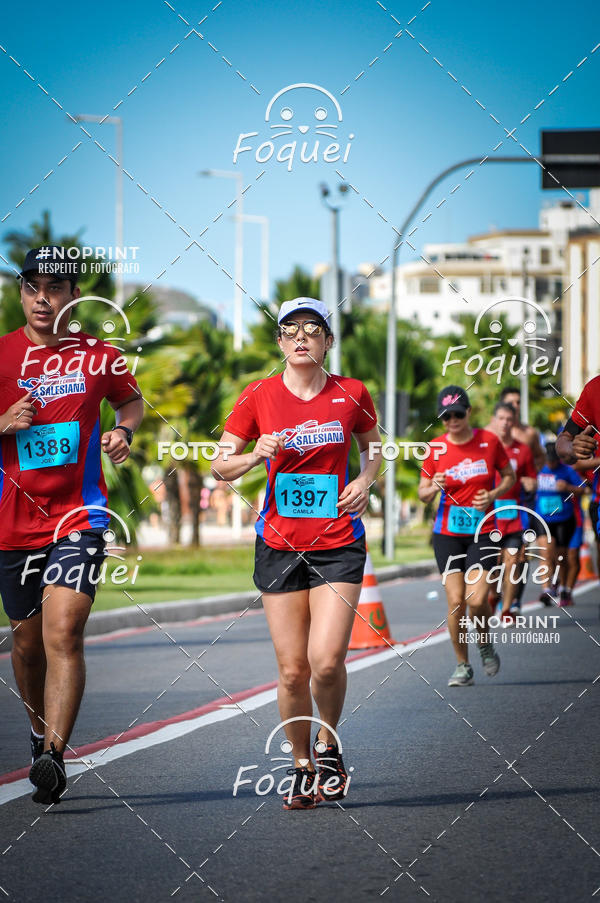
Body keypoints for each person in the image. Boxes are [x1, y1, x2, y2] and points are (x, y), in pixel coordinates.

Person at [212, 298, 381, 809]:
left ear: (329, 341)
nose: (302, 337)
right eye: (291, 330)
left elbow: (374, 444)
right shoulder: (258, 395)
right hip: (279, 544)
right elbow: (220, 466)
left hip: (338, 543)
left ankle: (329, 745)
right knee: (292, 671)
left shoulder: (351, 393)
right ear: (281, 343)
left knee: (326, 662)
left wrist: (365, 481)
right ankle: (302, 765)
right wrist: (252, 454)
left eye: (313, 329)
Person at [0, 247, 143, 804]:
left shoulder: (99, 356)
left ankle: (55, 757)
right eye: (32, 286)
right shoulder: (2, 355)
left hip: (79, 515)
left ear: (73, 296)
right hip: (13, 522)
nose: (43, 297)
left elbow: (129, 402)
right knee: (27, 644)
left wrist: (123, 432)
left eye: (55, 287)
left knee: (64, 631)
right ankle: (38, 735)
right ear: (21, 294)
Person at [419, 385, 515, 686]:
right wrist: (434, 485)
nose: (452, 421)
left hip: (483, 531)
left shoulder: (489, 442)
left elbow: (509, 476)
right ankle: (462, 665)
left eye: (457, 414)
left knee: (476, 600)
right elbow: (422, 494)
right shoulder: (435, 448)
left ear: (469, 412)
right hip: (447, 533)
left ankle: (484, 644)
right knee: (456, 601)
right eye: (446, 416)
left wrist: (494, 494)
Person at [486, 402, 536, 624]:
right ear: (494, 420)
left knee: (513, 562)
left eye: (510, 419)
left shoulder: (523, 449)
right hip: (489, 515)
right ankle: (492, 595)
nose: (505, 423)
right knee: (492, 564)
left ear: (514, 422)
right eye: (502, 418)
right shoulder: (485, 447)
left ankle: (507, 609)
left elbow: (533, 480)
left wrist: (529, 483)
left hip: (515, 514)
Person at [534, 442, 584, 607]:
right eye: (549, 460)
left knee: (561, 556)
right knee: (547, 553)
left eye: (554, 460)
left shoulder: (566, 470)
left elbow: (582, 489)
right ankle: (547, 588)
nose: (551, 463)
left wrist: (568, 487)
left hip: (563, 518)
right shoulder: (539, 469)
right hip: (543, 519)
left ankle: (562, 587)